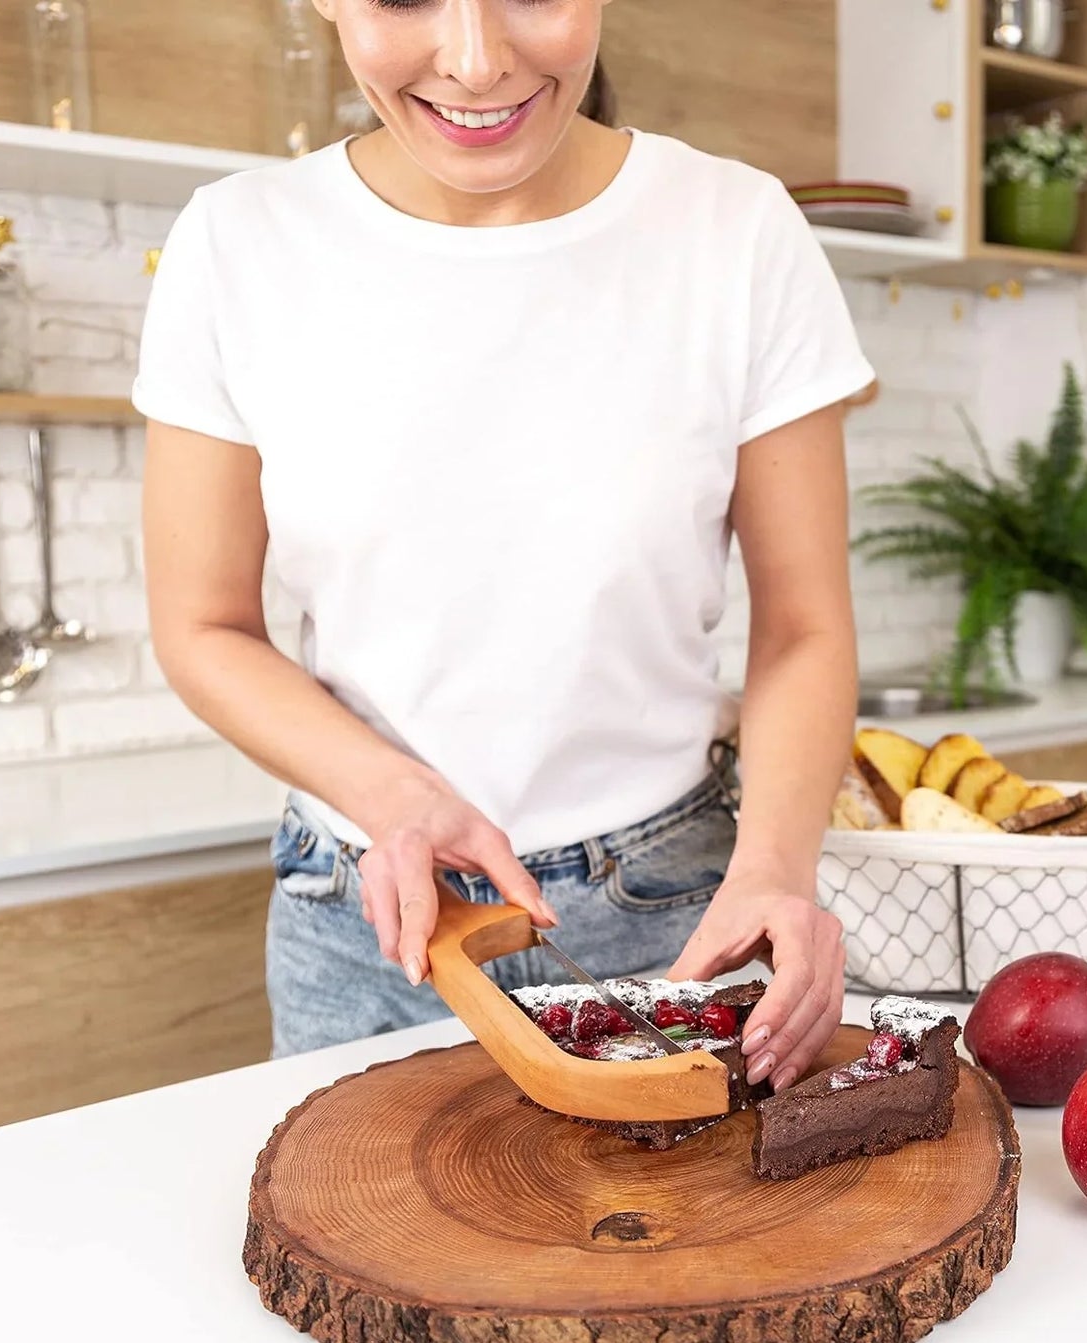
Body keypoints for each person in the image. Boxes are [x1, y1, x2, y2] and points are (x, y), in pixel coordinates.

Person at [135, 0, 873, 1095]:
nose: (475, 62)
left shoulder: (735, 231)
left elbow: (805, 623)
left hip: (672, 920)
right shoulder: (236, 242)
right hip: (366, 926)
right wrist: (393, 795)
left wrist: (774, 866)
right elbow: (203, 626)